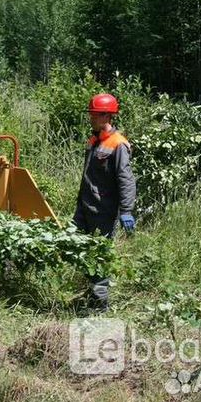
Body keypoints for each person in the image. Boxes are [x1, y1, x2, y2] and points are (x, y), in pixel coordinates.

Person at [73, 93, 136, 310]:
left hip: (103, 211)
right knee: (81, 251)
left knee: (99, 256)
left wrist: (127, 210)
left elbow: (126, 179)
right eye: (90, 114)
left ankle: (100, 306)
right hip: (84, 208)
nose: (90, 117)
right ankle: (89, 295)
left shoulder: (118, 144)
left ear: (106, 116)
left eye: (94, 114)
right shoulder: (94, 139)